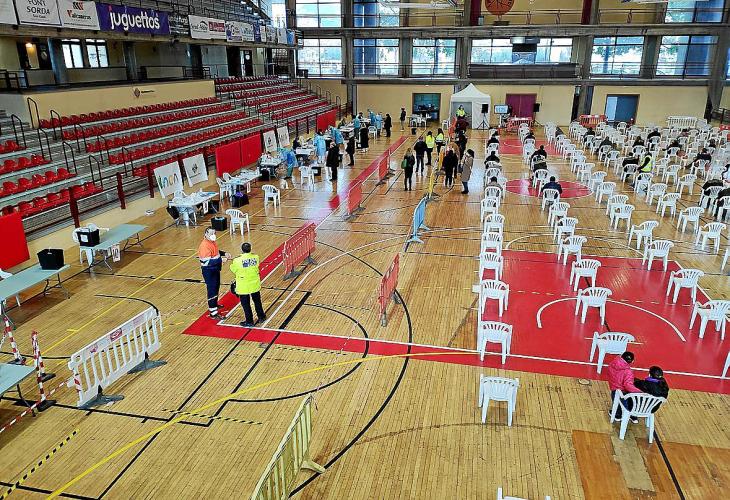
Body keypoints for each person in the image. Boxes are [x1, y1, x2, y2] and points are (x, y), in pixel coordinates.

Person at [230, 242, 266, 328]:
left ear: (242, 250)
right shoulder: (256, 257)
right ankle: (261, 317)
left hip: (244, 286)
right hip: (255, 284)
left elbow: (233, 269)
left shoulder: (237, 260)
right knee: (257, 301)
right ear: (250, 249)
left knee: (246, 304)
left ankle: (249, 321)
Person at [198, 228, 231, 320]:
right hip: (209, 271)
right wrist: (220, 259)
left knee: (216, 287)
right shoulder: (204, 246)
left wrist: (224, 253)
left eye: (214, 233)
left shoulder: (211, 242)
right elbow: (206, 262)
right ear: (206, 234)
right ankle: (213, 312)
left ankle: (215, 304)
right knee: (212, 290)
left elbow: (215, 251)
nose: (213, 235)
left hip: (215, 269)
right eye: (211, 233)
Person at [607, 351, 641, 421]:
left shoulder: (612, 364)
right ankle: (632, 415)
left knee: (616, 402)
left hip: (614, 388)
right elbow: (628, 386)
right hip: (623, 391)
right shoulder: (628, 372)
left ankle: (617, 415)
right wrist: (639, 391)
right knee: (630, 401)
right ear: (631, 361)